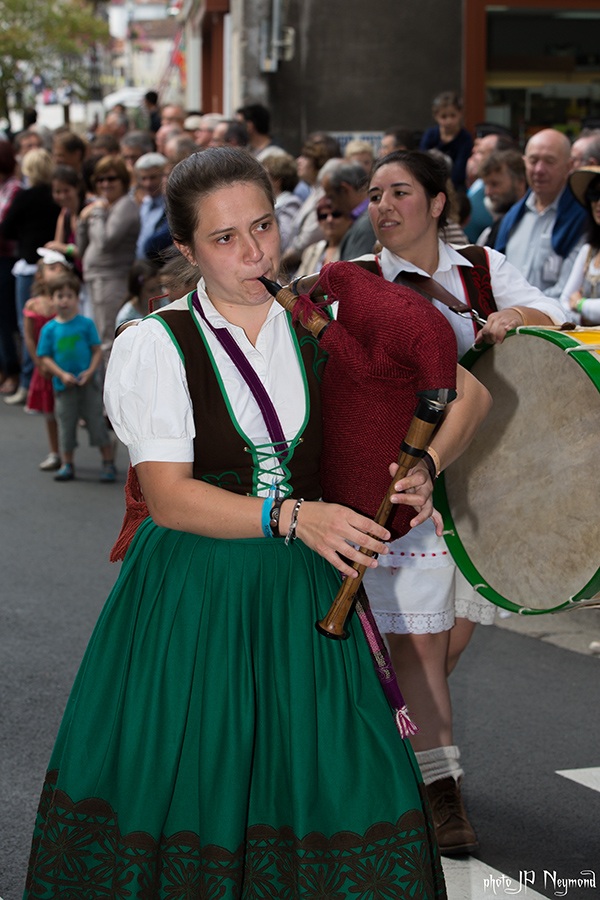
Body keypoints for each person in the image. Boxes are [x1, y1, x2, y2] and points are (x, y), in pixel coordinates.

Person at [23, 147, 458, 899]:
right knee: (197, 773)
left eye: (262, 226)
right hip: (197, 591)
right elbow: (168, 498)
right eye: (224, 238)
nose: (254, 252)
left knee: (338, 783)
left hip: (306, 594)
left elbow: (463, 388)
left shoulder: (325, 318)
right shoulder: (157, 342)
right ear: (187, 249)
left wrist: (426, 465)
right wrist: (291, 515)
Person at [364, 149, 567, 856]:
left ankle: (388, 748)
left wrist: (515, 314)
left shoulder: (481, 265)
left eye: (399, 192)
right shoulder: (360, 280)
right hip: (407, 484)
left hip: (482, 486)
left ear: (437, 202)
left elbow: (555, 313)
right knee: (419, 645)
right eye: (375, 195)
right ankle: (441, 790)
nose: (383, 206)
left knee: (443, 643)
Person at [36, 270, 116, 483]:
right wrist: (61, 374)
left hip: (87, 384)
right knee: (66, 425)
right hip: (63, 386)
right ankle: (67, 464)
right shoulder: (49, 329)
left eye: (69, 295)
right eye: (59, 296)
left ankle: (108, 461)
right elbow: (44, 357)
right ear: (51, 299)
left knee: (96, 422)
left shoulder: (86, 324)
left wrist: (90, 371)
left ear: (77, 298)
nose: (64, 300)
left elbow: (97, 350)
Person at [495, 129, 587, 298]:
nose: (539, 169)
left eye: (549, 161)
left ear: (569, 167)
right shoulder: (513, 217)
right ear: (524, 163)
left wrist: (523, 309)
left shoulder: (581, 219)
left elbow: (566, 293)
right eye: (533, 161)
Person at [1, 148, 59, 404]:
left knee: (29, 327)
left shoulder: (25, 196)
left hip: (29, 266)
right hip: (55, 264)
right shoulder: (55, 196)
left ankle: (28, 383)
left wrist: (24, 236)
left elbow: (6, 228)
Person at [76, 155, 140, 370]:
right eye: (100, 179)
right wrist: (82, 221)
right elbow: (81, 247)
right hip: (96, 278)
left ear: (122, 180)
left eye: (111, 178)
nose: (105, 184)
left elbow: (105, 242)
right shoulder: (105, 206)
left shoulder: (125, 205)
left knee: (110, 341)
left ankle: (110, 392)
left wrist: (95, 212)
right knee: (102, 339)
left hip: (112, 279)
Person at [22, 250, 71, 469]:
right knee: (50, 411)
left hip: (66, 365)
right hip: (45, 366)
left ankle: (69, 452)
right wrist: (39, 362)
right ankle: (55, 452)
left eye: (61, 268)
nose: (58, 271)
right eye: (52, 268)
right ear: (40, 276)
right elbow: (29, 337)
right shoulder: (33, 305)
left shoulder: (67, 303)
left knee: (68, 410)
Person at [560, 166, 600, 323]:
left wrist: (580, 303)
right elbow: (563, 303)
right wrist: (583, 318)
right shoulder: (588, 251)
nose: (598, 203)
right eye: (594, 194)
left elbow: (571, 302)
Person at [320, 157, 377, 260]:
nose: (333, 206)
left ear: (344, 189)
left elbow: (356, 268)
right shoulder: (365, 219)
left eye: (332, 197)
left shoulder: (367, 223)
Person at [0, 140, 22, 397]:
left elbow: (4, 226)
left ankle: (12, 370)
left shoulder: (14, 188)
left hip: (7, 260)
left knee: (6, 319)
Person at [419, 92, 473, 191]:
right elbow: (421, 161)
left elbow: (460, 169)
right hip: (430, 181)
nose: (449, 121)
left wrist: (449, 188)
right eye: (444, 116)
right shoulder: (430, 134)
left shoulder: (465, 138)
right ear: (436, 116)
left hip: (455, 185)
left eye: (453, 115)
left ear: (460, 113)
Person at [477, 149, 527, 249]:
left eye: (495, 184)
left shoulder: (528, 225)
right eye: (486, 185)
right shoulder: (492, 230)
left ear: (520, 182)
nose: (488, 192)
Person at [295, 194, 353, 277]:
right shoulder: (311, 251)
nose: (329, 220)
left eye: (336, 214)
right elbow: (297, 282)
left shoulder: (354, 249)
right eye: (323, 216)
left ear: (349, 218)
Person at [115, 258, 164, 327]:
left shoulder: (166, 301)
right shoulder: (127, 317)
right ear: (137, 290)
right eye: (151, 290)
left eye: (160, 287)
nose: (158, 293)